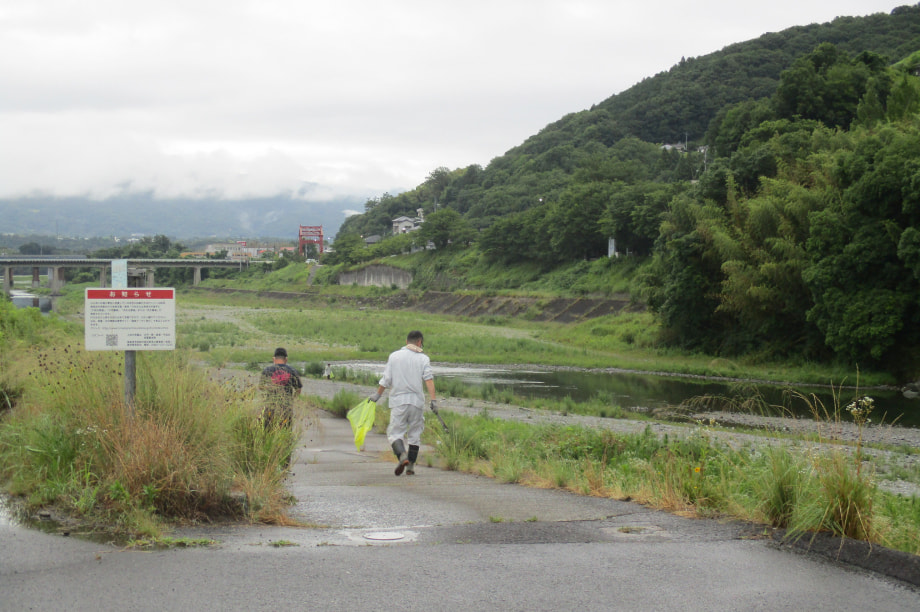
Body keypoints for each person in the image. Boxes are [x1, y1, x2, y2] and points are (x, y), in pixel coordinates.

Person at [369, 330, 436, 476]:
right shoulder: (424, 359)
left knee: (395, 433)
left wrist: (377, 395)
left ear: (406, 342)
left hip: (398, 402)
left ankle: (402, 456)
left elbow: (386, 379)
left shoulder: (394, 356)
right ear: (419, 342)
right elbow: (429, 379)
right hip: (417, 402)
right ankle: (410, 467)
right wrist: (433, 400)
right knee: (415, 434)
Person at [260, 347, 302, 430]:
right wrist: (292, 399)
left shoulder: (267, 370)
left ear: (274, 359)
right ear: (286, 359)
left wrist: (270, 388)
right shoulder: (292, 371)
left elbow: (261, 387)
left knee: (268, 430)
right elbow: (298, 390)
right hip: (286, 407)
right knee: (285, 430)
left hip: (271, 405)